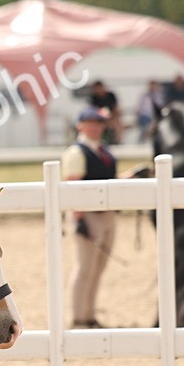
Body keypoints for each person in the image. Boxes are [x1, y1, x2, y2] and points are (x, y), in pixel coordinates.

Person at [61, 107, 117, 329]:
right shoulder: (78, 152)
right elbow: (74, 185)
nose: (96, 128)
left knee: (98, 267)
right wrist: (79, 218)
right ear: (81, 125)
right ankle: (78, 315)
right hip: (88, 215)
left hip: (106, 215)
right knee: (85, 267)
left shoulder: (102, 151)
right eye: (91, 123)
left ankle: (89, 313)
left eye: (99, 123)